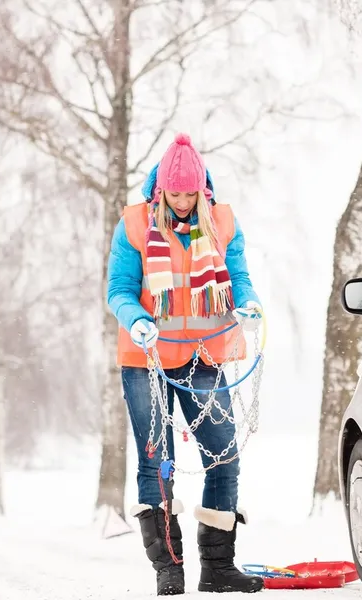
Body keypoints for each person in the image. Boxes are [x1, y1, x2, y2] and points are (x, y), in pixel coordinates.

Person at [107, 133, 264, 595]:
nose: (180, 201)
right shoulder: (134, 225)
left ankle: (218, 566)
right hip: (147, 358)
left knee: (224, 455)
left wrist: (249, 303)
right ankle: (169, 569)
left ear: (202, 190)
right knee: (158, 461)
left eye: (188, 194)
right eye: (173, 194)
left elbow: (238, 278)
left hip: (202, 356)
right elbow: (118, 288)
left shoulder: (221, 222)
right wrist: (135, 319)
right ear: (160, 191)